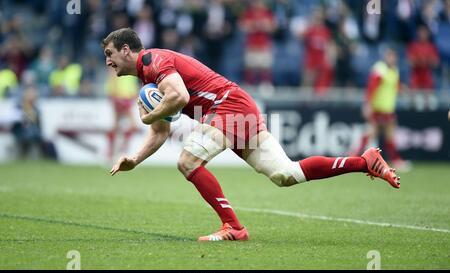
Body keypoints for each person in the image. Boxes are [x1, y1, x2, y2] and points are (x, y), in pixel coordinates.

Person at [102, 28, 400, 242]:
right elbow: (160, 130)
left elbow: (178, 97)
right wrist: (135, 159)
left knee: (187, 161)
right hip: (233, 105)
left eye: (110, 54)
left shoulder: (153, 60)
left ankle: (233, 226)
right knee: (286, 174)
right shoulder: (147, 77)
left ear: (126, 50)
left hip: (227, 104)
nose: (108, 61)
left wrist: (146, 114)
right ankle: (365, 161)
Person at [351, 48, 409, 170]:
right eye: (390, 56)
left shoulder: (394, 71)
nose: (392, 59)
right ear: (386, 57)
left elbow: (395, 85)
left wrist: (402, 88)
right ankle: (354, 157)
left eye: (394, 57)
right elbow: (371, 87)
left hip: (388, 109)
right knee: (376, 132)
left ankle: (354, 156)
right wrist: (368, 104)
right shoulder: (379, 69)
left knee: (380, 133)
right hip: (378, 108)